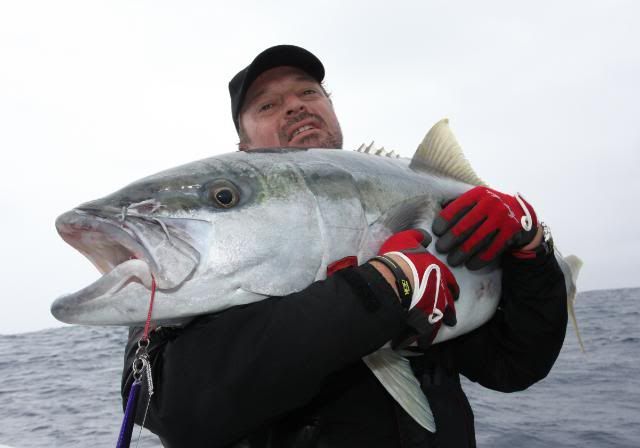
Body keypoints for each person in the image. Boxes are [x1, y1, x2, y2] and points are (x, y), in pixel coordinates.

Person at [121, 45, 568, 447]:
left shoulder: (407, 187)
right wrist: (376, 290)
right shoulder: (191, 271)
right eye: (268, 104)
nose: (295, 106)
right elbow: (174, 411)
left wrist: (533, 250)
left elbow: (514, 365)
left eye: (309, 92)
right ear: (243, 146)